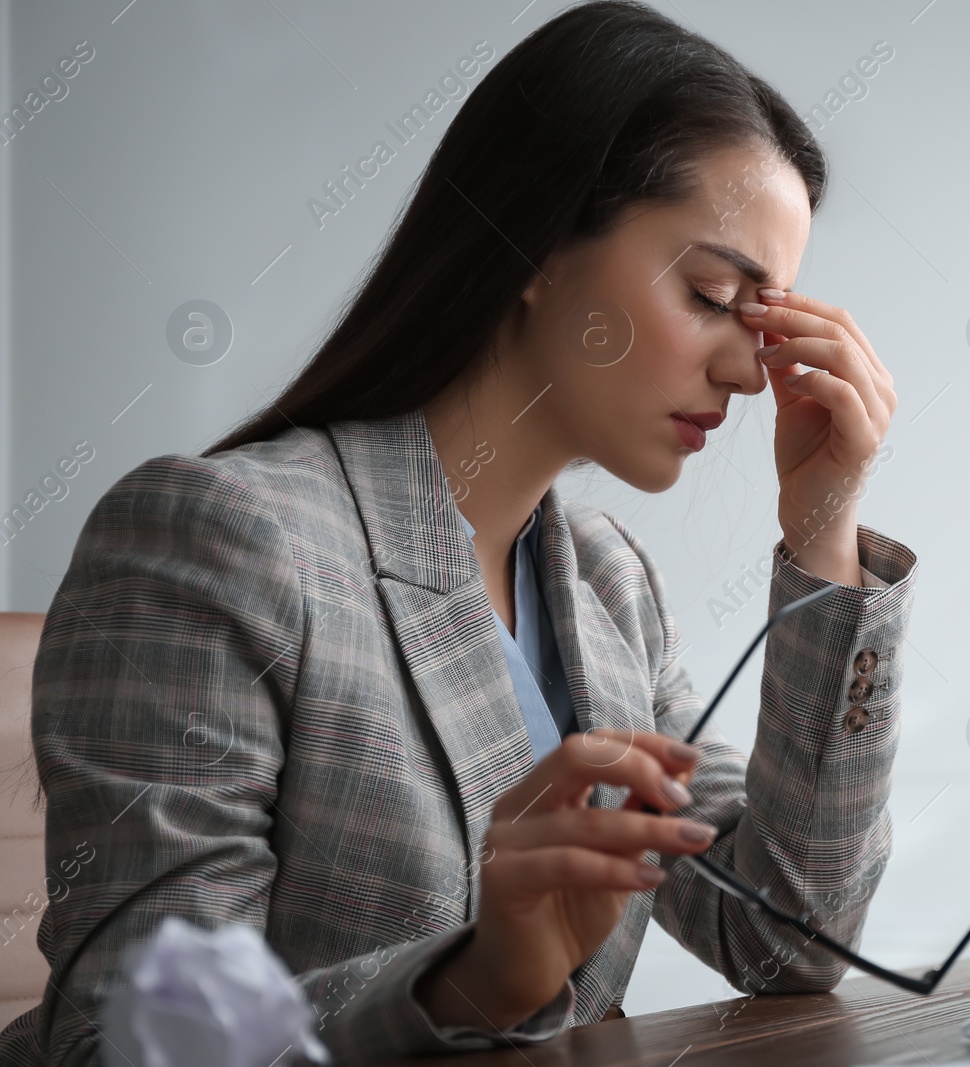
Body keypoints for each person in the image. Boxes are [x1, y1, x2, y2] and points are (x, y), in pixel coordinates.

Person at [0, 2, 917, 1063]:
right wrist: (471, 980)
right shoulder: (220, 541)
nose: (749, 370)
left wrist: (822, 526)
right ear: (532, 241)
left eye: (767, 319)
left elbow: (782, 939)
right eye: (714, 294)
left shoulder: (608, 584)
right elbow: (129, 1037)